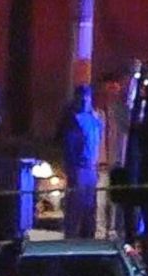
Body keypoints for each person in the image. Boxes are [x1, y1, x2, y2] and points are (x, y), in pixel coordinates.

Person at [56, 85, 103, 239]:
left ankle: (88, 238)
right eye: (81, 97)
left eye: (87, 97)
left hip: (91, 168)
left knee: (90, 209)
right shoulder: (73, 120)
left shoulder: (95, 118)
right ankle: (71, 241)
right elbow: (70, 147)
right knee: (75, 208)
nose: (84, 100)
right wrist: (72, 169)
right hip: (79, 169)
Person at [96, 71, 130, 240]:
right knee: (100, 202)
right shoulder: (97, 111)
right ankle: (100, 231)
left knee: (115, 201)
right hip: (101, 165)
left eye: (115, 88)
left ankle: (113, 230)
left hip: (117, 163)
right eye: (110, 88)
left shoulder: (122, 112)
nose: (113, 92)